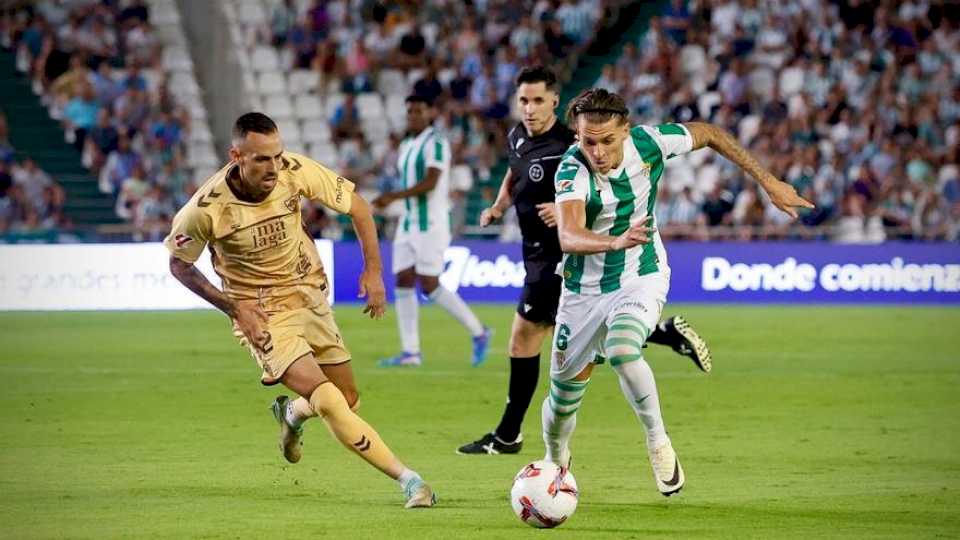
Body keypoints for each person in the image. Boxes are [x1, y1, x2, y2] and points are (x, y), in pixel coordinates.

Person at [541, 89, 812, 496]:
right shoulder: (571, 170)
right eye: (587, 141)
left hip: (641, 274)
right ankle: (555, 459)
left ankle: (658, 441)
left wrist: (769, 183)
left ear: (626, 132)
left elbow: (711, 133)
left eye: (607, 141)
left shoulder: (649, 143)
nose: (596, 151)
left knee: (622, 349)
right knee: (562, 402)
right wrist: (614, 241)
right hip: (582, 291)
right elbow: (568, 234)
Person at [164, 112, 436, 509]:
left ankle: (291, 414)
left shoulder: (294, 170)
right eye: (261, 159)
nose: (274, 167)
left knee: (346, 398)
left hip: (308, 292)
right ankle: (410, 481)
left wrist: (374, 272)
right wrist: (235, 309)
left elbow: (359, 208)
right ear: (236, 155)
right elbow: (179, 263)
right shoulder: (205, 208)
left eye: (277, 155)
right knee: (327, 398)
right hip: (262, 312)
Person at [458, 67, 713, 456]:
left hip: (566, 258)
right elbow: (515, 173)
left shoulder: (574, 144)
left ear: (555, 102)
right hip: (536, 251)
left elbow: (593, 198)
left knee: (528, 339)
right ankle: (663, 332)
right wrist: (498, 204)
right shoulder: (518, 136)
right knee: (576, 343)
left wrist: (564, 215)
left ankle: (511, 434)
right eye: (524, 100)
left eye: (538, 100)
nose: (529, 108)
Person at [373, 95, 491, 367]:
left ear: (430, 113)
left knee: (429, 284)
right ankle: (411, 352)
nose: (412, 116)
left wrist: (394, 196)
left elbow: (431, 181)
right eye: (409, 111)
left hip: (432, 224)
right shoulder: (407, 144)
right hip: (408, 222)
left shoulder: (436, 142)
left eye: (418, 111)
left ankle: (479, 331)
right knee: (403, 279)